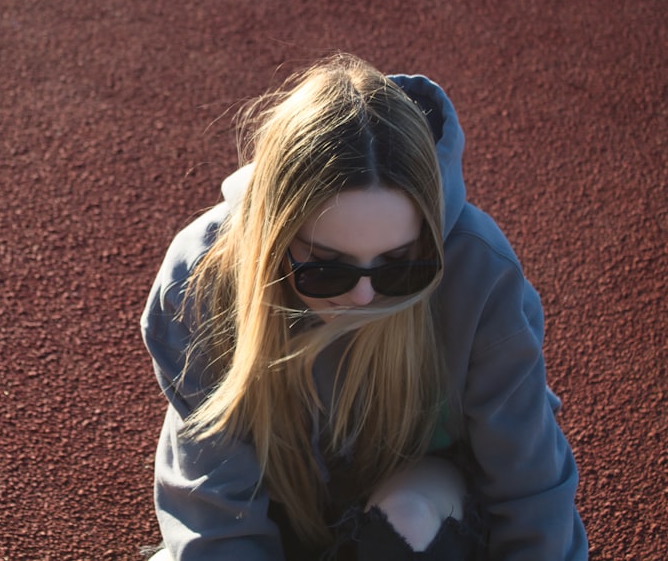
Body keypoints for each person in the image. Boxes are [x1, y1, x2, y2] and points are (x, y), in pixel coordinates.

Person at [140, 54, 587, 560]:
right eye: (327, 267)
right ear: (272, 238)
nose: (363, 297)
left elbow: (530, 486)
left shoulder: (475, 270)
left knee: (408, 516)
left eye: (401, 268)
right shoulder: (205, 274)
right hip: (281, 513)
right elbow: (213, 505)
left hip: (430, 516)